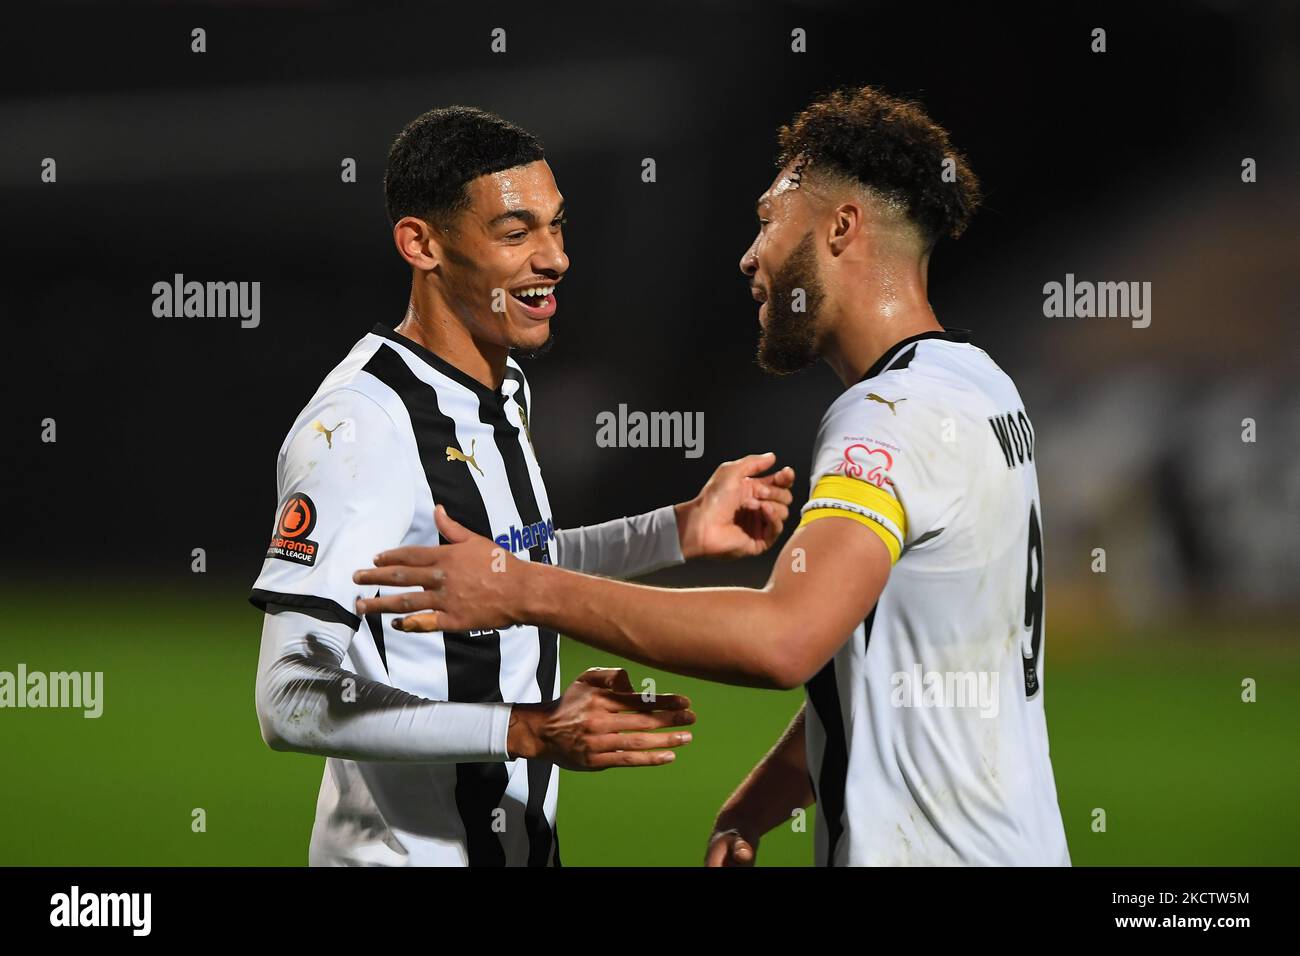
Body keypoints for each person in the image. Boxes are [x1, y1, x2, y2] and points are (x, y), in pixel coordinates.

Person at [353, 88, 1071, 867]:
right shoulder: (981, 384)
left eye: (768, 220)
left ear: (840, 228)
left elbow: (785, 639)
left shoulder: (886, 414)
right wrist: (759, 804)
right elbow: (905, 664)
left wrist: (521, 588)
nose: (750, 254)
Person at [250, 105, 794, 866]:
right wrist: (526, 728)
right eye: (516, 234)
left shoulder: (503, 387)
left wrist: (676, 530)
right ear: (421, 244)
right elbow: (289, 697)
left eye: (557, 226)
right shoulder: (359, 427)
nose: (556, 257)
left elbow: (507, 571)